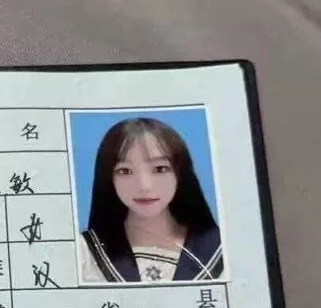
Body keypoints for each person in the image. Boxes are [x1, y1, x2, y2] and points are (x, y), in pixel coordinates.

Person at [79, 117, 223, 283]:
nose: (144, 186)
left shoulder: (222, 248)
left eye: (160, 169)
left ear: (180, 173)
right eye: (125, 171)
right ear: (109, 178)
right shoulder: (84, 253)